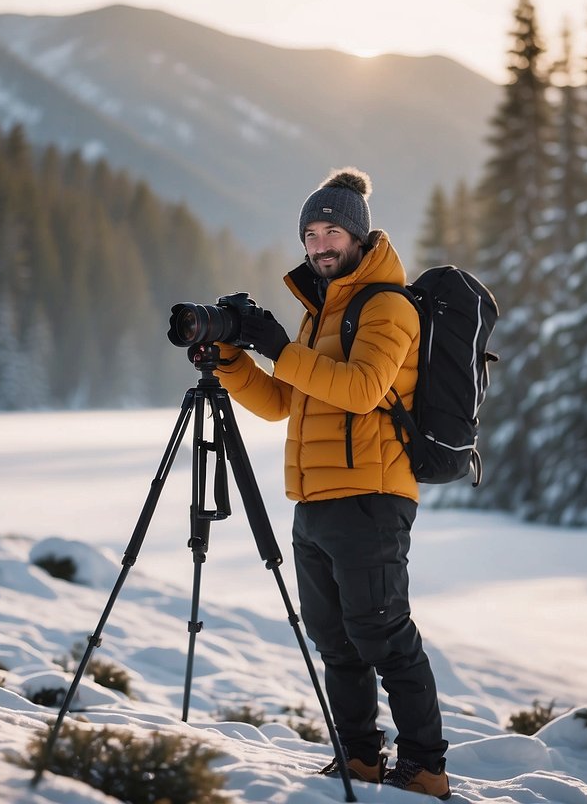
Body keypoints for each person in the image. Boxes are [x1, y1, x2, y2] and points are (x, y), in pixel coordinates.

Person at [214, 167, 450, 799]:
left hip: (372, 495)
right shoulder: (320, 314)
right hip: (314, 500)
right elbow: (279, 402)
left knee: (383, 634)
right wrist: (233, 360)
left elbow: (362, 390)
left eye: (331, 231)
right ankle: (361, 757)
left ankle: (425, 764)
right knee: (335, 640)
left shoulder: (388, 306)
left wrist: (276, 345)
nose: (319, 245)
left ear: (359, 236)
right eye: (310, 233)